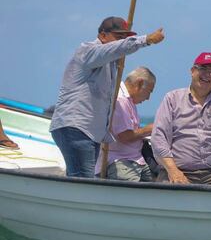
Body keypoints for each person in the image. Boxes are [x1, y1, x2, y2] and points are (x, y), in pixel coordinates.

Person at [50, 16, 164, 178]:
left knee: (81, 178)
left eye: (124, 39)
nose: (121, 43)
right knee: (82, 180)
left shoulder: (111, 64)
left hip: (92, 133)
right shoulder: (88, 51)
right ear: (103, 36)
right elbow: (116, 49)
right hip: (76, 128)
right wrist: (147, 40)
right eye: (118, 38)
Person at [151, 52, 211, 185]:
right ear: (193, 71)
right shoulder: (172, 98)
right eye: (203, 69)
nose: (207, 75)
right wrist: (173, 171)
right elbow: (158, 139)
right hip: (177, 170)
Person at [95, 67, 156, 181]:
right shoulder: (120, 100)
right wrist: (150, 128)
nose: (148, 98)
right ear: (139, 83)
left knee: (159, 182)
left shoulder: (129, 101)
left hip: (136, 159)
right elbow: (125, 136)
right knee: (133, 195)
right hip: (121, 160)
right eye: (149, 91)